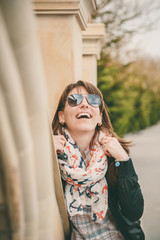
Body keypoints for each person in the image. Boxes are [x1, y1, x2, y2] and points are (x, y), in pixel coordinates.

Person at [52, 80, 145, 240]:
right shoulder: (54, 157)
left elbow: (134, 211)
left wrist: (124, 160)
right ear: (61, 116)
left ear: (100, 117)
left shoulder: (113, 155)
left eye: (93, 101)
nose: (85, 105)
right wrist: (45, 152)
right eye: (74, 100)